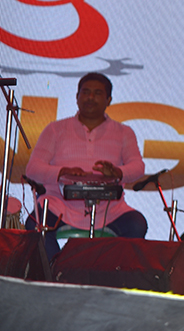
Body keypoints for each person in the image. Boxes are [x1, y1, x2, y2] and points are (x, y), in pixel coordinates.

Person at [25, 72, 147, 258]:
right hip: (60, 206)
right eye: (86, 92)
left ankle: (108, 271)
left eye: (97, 93)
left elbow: (138, 167)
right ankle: (56, 271)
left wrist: (117, 172)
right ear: (77, 97)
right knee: (35, 225)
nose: (90, 97)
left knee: (137, 225)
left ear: (109, 100)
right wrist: (62, 172)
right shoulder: (55, 129)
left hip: (109, 210)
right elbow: (32, 169)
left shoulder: (123, 132)